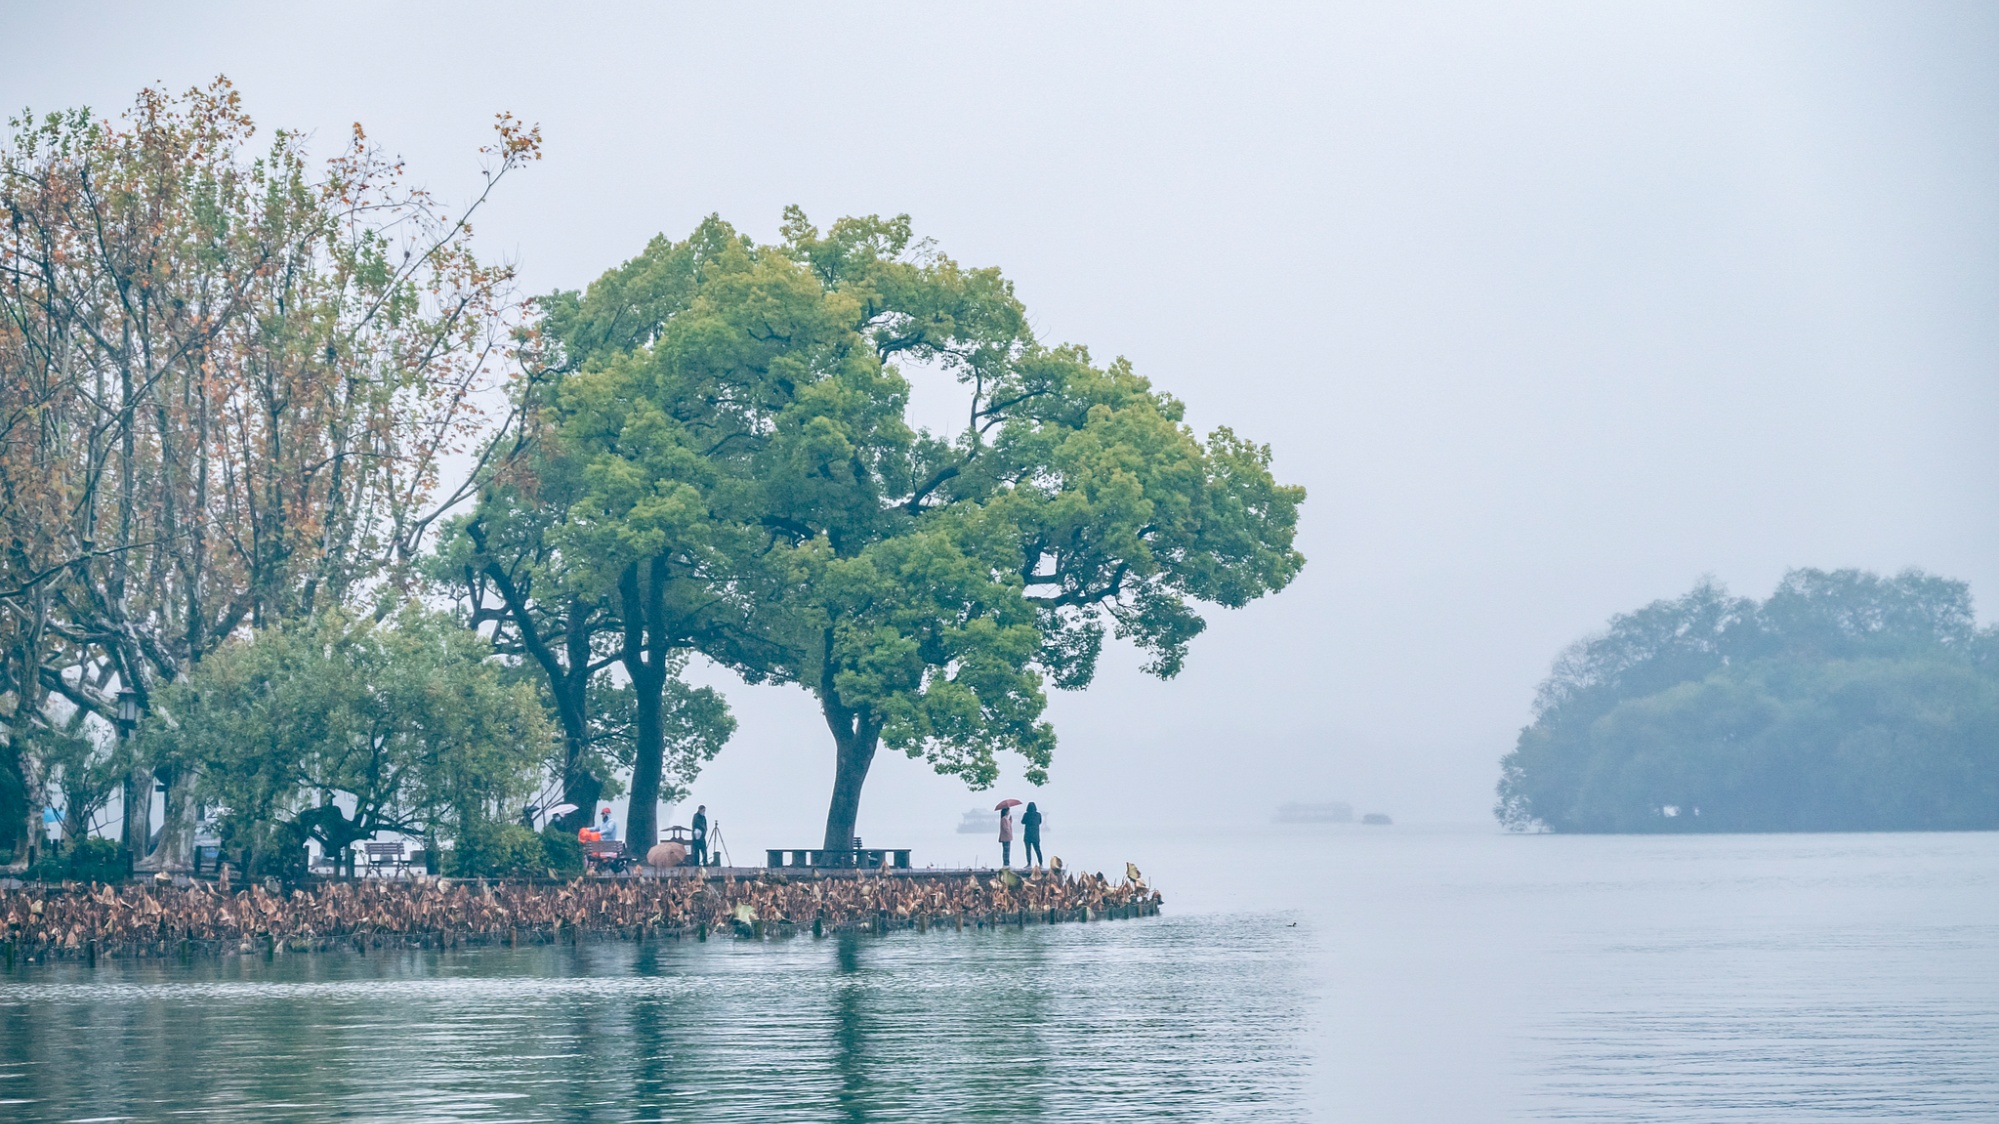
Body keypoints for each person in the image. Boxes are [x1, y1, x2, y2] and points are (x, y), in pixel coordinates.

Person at [1021, 802, 1044, 868]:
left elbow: (1022, 822)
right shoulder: (1038, 815)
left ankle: (1029, 864)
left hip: (1027, 835)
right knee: (1038, 850)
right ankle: (1041, 863)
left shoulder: (1026, 815)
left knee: (1028, 850)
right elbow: (1040, 822)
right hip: (1036, 835)